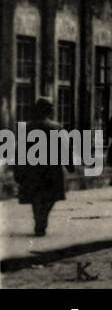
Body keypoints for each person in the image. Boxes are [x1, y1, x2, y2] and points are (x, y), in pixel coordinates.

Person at [14, 98, 66, 236]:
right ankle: (43, 219)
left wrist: (17, 169)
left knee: (36, 196)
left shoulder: (27, 127)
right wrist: (70, 164)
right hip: (52, 168)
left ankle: (39, 219)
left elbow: (19, 150)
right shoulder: (56, 127)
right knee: (51, 197)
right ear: (48, 111)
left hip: (33, 168)